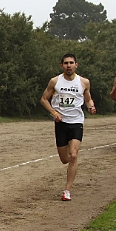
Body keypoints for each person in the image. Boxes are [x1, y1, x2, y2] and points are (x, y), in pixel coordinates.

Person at [40, 54, 96, 201]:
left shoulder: (84, 82)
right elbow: (44, 99)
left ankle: (67, 190)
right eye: (66, 63)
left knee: (73, 155)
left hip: (77, 122)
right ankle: (68, 182)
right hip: (61, 123)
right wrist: (54, 112)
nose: (68, 65)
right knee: (65, 159)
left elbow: (88, 98)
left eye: (71, 63)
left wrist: (91, 106)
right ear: (62, 65)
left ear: (76, 65)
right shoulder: (55, 81)